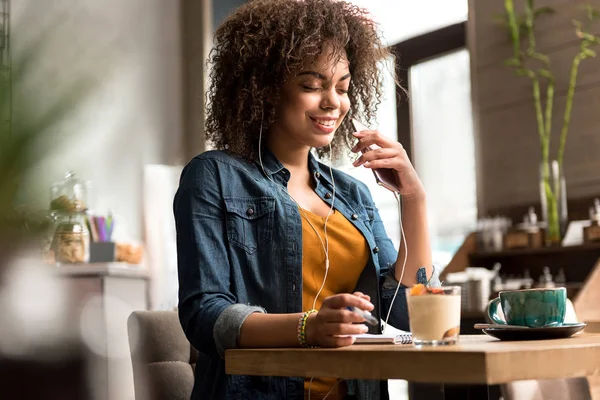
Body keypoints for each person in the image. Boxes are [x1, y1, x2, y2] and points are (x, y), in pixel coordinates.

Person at [174, 0, 436, 399]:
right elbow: (204, 314)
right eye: (312, 86)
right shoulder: (215, 175)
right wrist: (308, 327)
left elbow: (406, 313)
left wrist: (414, 198)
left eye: (343, 87)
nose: (333, 102)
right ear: (264, 89)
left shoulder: (354, 193)